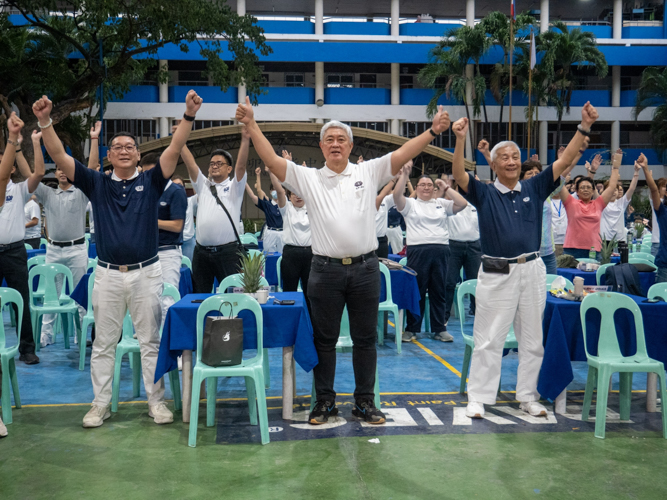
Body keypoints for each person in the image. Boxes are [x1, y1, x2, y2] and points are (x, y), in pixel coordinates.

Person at [236, 96, 452, 425]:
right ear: (321, 147)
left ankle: (365, 402)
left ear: (350, 146)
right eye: (329, 139)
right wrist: (251, 125)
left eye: (341, 139)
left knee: (365, 340)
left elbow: (403, 153)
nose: (335, 144)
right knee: (324, 340)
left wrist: (433, 132)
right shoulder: (308, 178)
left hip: (366, 269)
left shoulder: (368, 170)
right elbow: (271, 160)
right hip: (323, 272)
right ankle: (324, 402)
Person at [34, 89, 203, 428]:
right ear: (108, 155)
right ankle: (100, 404)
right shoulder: (96, 183)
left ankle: (156, 402)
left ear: (138, 155)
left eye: (130, 147)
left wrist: (188, 115)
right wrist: (45, 121)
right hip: (108, 275)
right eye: (117, 147)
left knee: (149, 341)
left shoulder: (154, 182)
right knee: (103, 343)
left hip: (147, 274)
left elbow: (174, 147)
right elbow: (59, 155)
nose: (124, 151)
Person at [451, 101, 600, 419]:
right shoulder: (484, 193)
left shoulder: (535, 186)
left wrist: (584, 126)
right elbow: (457, 174)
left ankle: (528, 396)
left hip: (532, 269)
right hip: (496, 271)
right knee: (488, 338)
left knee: (532, 339)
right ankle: (478, 397)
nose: (510, 161)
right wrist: (460, 138)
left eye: (515, 156)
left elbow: (565, 160)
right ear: (493, 164)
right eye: (503, 157)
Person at [394, 165, 467, 342]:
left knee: (438, 290)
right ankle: (411, 329)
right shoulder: (410, 204)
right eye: (422, 184)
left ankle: (439, 329)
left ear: (434, 189)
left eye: (430, 185)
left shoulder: (441, 204)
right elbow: (397, 196)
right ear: (416, 187)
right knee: (416, 291)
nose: (426, 187)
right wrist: (404, 175)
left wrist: (447, 188)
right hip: (418, 251)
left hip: (441, 250)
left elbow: (463, 203)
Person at [31, 130, 89, 348]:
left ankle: (81, 333)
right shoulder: (47, 194)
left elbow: (91, 169)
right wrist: (36, 144)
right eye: (59, 169)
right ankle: (46, 335)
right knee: (50, 295)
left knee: (80, 294)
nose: (63, 172)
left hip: (77, 249)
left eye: (66, 169)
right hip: (53, 250)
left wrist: (94, 139)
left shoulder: (82, 192)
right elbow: (34, 175)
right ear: (55, 174)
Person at [182, 126, 249, 293]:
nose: (214, 166)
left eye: (220, 163)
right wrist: (180, 141)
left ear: (229, 169)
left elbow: (241, 167)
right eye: (212, 164)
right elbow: (190, 164)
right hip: (201, 253)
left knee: (232, 296)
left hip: (228, 253)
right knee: (198, 295)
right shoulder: (203, 186)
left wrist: (246, 140)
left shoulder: (235, 187)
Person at [0, 112, 42, 365]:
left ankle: (27, 348)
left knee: (22, 301)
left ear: (12, 166)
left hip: (15, 251)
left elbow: (37, 173)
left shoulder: (18, 190)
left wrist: (24, 142)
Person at [140, 152, 188, 324]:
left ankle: (168, 345)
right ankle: (150, 340)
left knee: (167, 298)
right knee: (146, 299)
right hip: (146, 252)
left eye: (151, 172)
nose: (147, 177)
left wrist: (152, 221)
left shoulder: (175, 191)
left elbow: (177, 226)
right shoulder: (143, 190)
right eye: (144, 173)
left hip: (168, 252)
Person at [561, 151, 621, 260]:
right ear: (577, 191)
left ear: (593, 190)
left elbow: (612, 187)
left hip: (594, 250)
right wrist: (562, 162)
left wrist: (616, 166)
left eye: (588, 187)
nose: (585, 190)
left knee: (593, 277)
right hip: (572, 249)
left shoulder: (599, 203)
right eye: (582, 188)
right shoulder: (570, 202)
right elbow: (559, 182)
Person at [269, 157, 312, 309]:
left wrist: (303, 172)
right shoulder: (286, 208)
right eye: (293, 193)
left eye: (300, 193)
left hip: (311, 255)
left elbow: (311, 187)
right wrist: (275, 170)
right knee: (289, 293)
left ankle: (311, 328)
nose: (298, 196)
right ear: (289, 195)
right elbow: (279, 190)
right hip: (291, 255)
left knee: (310, 294)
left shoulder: (313, 208)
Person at [443, 179, 481, 326]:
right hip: (453, 246)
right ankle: (443, 317)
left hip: (474, 246)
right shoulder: (451, 203)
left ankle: (478, 314)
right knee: (449, 282)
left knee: (477, 283)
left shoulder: (478, 203)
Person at [640, 155, 667, 282]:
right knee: (661, 299)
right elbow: (654, 190)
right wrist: (645, 169)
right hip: (665, 265)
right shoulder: (662, 211)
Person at [245, 166, 284, 253]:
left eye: (277, 189)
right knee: (269, 256)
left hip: (283, 233)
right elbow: (257, 192)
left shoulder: (286, 204)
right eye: (273, 189)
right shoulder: (268, 204)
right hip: (270, 232)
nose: (275, 191)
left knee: (283, 257)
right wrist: (257, 175)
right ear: (270, 192)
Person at [600, 161, 640, 245]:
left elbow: (631, 188)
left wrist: (636, 172)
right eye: (611, 190)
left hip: (620, 239)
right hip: (604, 239)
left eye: (616, 190)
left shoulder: (621, 202)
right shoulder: (601, 203)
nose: (613, 192)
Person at [650, 178, 666, 256]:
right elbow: (653, 191)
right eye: (664, 186)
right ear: (658, 189)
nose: (665, 188)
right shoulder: (656, 202)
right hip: (657, 242)